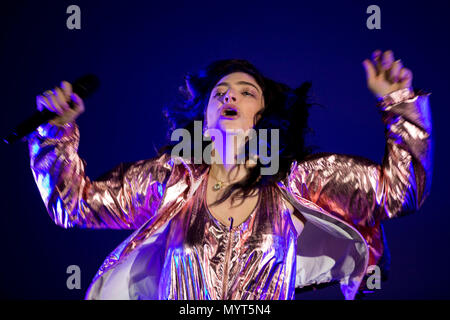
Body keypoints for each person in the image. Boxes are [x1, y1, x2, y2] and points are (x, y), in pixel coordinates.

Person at [28, 50, 432, 300]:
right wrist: (54, 132)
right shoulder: (172, 181)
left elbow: (399, 192)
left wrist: (398, 104)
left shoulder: (297, 179)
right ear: (203, 122)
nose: (229, 95)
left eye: (246, 91)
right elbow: (74, 204)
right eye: (219, 92)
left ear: (263, 118)